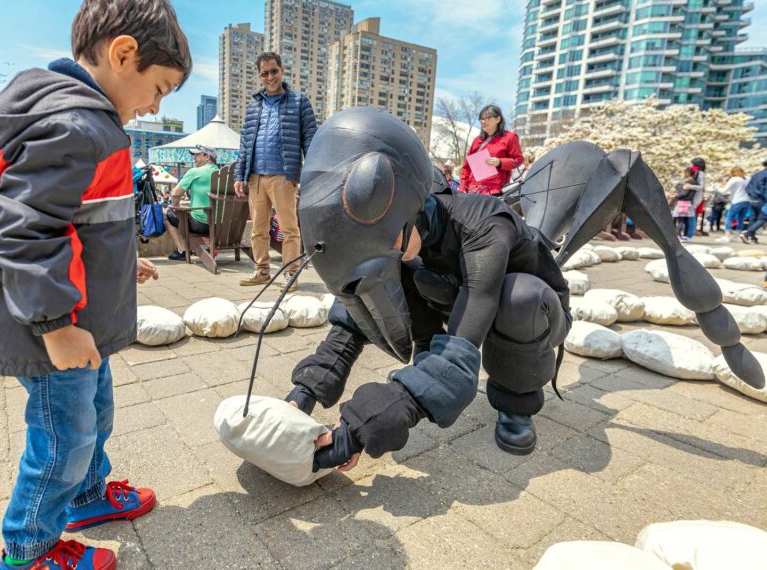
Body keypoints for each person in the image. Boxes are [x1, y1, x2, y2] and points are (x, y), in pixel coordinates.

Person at [0, 0, 190, 570]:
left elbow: (81, 218)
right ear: (123, 54)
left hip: (81, 316)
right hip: (54, 330)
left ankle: (88, 498)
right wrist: (56, 324)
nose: (156, 105)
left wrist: (120, 259)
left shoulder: (87, 122)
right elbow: (23, 228)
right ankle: (30, 548)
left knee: (95, 416)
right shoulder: (73, 126)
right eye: (159, 88)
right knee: (63, 439)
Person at [284, 108, 571, 471]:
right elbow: (355, 308)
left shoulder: (484, 226)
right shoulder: (408, 226)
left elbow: (463, 343)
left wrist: (364, 427)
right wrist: (306, 390)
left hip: (534, 310)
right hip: (458, 291)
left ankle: (518, 398)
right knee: (411, 271)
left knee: (519, 296)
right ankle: (423, 366)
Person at [232, 51, 317, 292]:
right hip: (255, 177)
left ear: (282, 71)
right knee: (258, 229)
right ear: (259, 76)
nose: (269, 77)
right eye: (264, 73)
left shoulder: (299, 102)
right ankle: (261, 271)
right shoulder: (254, 105)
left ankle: (290, 274)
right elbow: (245, 142)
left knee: (289, 229)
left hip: (284, 176)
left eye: (273, 71)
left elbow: (310, 139)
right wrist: (240, 175)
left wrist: (310, 173)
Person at [166, 145, 219, 261]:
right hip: (222, 226)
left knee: (168, 214)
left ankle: (182, 250)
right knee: (186, 214)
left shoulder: (195, 172)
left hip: (201, 225)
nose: (194, 158)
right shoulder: (223, 174)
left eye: (197, 155)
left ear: (207, 156)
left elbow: (175, 194)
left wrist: (176, 207)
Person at [458, 104, 523, 195]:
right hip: (473, 190)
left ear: (498, 119)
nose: (483, 121)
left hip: (495, 191)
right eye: (481, 119)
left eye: (487, 118)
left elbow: (518, 160)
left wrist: (500, 162)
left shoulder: (510, 137)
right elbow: (467, 167)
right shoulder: (477, 140)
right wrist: (463, 187)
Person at [741, 156, 767, 244]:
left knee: (753, 218)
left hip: (753, 199)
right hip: (763, 200)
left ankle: (751, 237)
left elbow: (748, 187)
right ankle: (747, 233)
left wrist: (752, 195)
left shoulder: (756, 174)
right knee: (763, 218)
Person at [716, 166, 750, 242]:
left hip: (737, 200)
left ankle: (727, 235)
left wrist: (717, 188)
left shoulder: (734, 179)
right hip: (747, 200)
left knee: (729, 217)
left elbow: (724, 191)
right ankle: (737, 236)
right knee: (741, 219)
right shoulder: (747, 179)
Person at [670, 166, 697, 240]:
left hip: (683, 203)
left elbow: (684, 193)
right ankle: (685, 236)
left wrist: (676, 195)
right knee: (685, 220)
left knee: (680, 220)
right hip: (688, 203)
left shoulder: (688, 182)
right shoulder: (694, 182)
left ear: (688, 173)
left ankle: (678, 236)